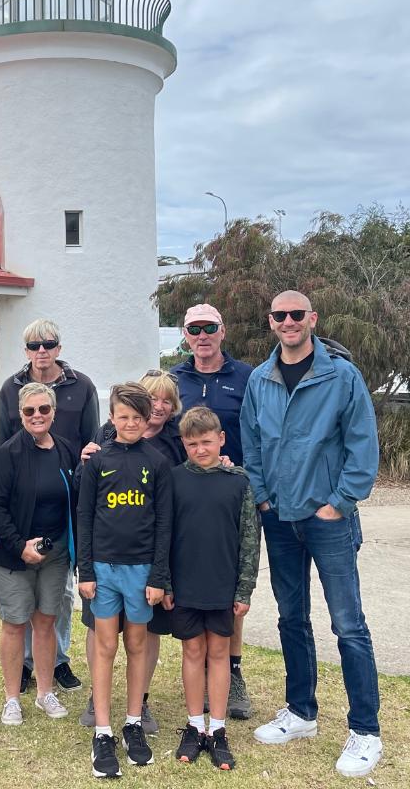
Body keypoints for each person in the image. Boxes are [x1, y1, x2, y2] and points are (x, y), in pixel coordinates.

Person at [240, 291, 383, 779]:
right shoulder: (261, 379)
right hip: (279, 519)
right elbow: (252, 444)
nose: (288, 322)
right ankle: (301, 712)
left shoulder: (341, 375)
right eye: (279, 315)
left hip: (329, 522)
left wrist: (339, 504)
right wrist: (262, 498)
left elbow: (363, 444)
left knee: (349, 626)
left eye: (296, 314)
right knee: (291, 619)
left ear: (312, 319)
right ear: (271, 322)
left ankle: (365, 731)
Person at [0, 319, 98, 696]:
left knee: (59, 596)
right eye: (34, 345)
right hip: (24, 501)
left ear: (58, 346)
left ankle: (58, 661)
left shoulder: (81, 386)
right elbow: (3, 445)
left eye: (48, 343)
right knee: (21, 602)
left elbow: (92, 440)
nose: (42, 350)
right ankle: (24, 664)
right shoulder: (11, 388)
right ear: (25, 350)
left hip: (64, 496)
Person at [79, 369, 185, 734]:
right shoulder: (98, 458)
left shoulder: (159, 461)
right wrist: (85, 571)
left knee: (138, 642)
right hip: (103, 568)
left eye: (137, 418)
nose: (130, 423)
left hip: (142, 570)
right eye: (123, 417)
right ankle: (103, 722)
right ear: (112, 418)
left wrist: (160, 575)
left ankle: (135, 716)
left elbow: (164, 522)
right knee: (105, 642)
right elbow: (85, 515)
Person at [169, 303, 256, 720]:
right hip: (186, 494)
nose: (202, 335)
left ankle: (231, 670)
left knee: (229, 581)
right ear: (185, 335)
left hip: (230, 494)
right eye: (193, 329)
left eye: (209, 328)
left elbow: (261, 432)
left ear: (223, 331)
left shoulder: (247, 377)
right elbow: (146, 415)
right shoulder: (174, 378)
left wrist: (246, 475)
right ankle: (197, 673)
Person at [164, 406, 258, 771]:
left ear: (221, 439)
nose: (200, 450)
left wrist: (244, 589)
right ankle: (194, 725)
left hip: (223, 583)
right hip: (185, 583)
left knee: (219, 652)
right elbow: (165, 535)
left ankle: (217, 730)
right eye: (192, 444)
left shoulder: (239, 481)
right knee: (192, 651)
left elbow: (250, 540)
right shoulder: (173, 480)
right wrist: (166, 582)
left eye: (206, 442)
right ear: (183, 444)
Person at [0, 382, 80, 726]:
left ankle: (45, 692)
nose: (37, 416)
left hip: (55, 554)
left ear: (54, 412)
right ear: (20, 414)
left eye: (44, 409)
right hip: (14, 555)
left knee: (46, 622)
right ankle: (12, 698)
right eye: (30, 411)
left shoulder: (67, 450)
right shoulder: (7, 453)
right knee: (14, 624)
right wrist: (19, 545)